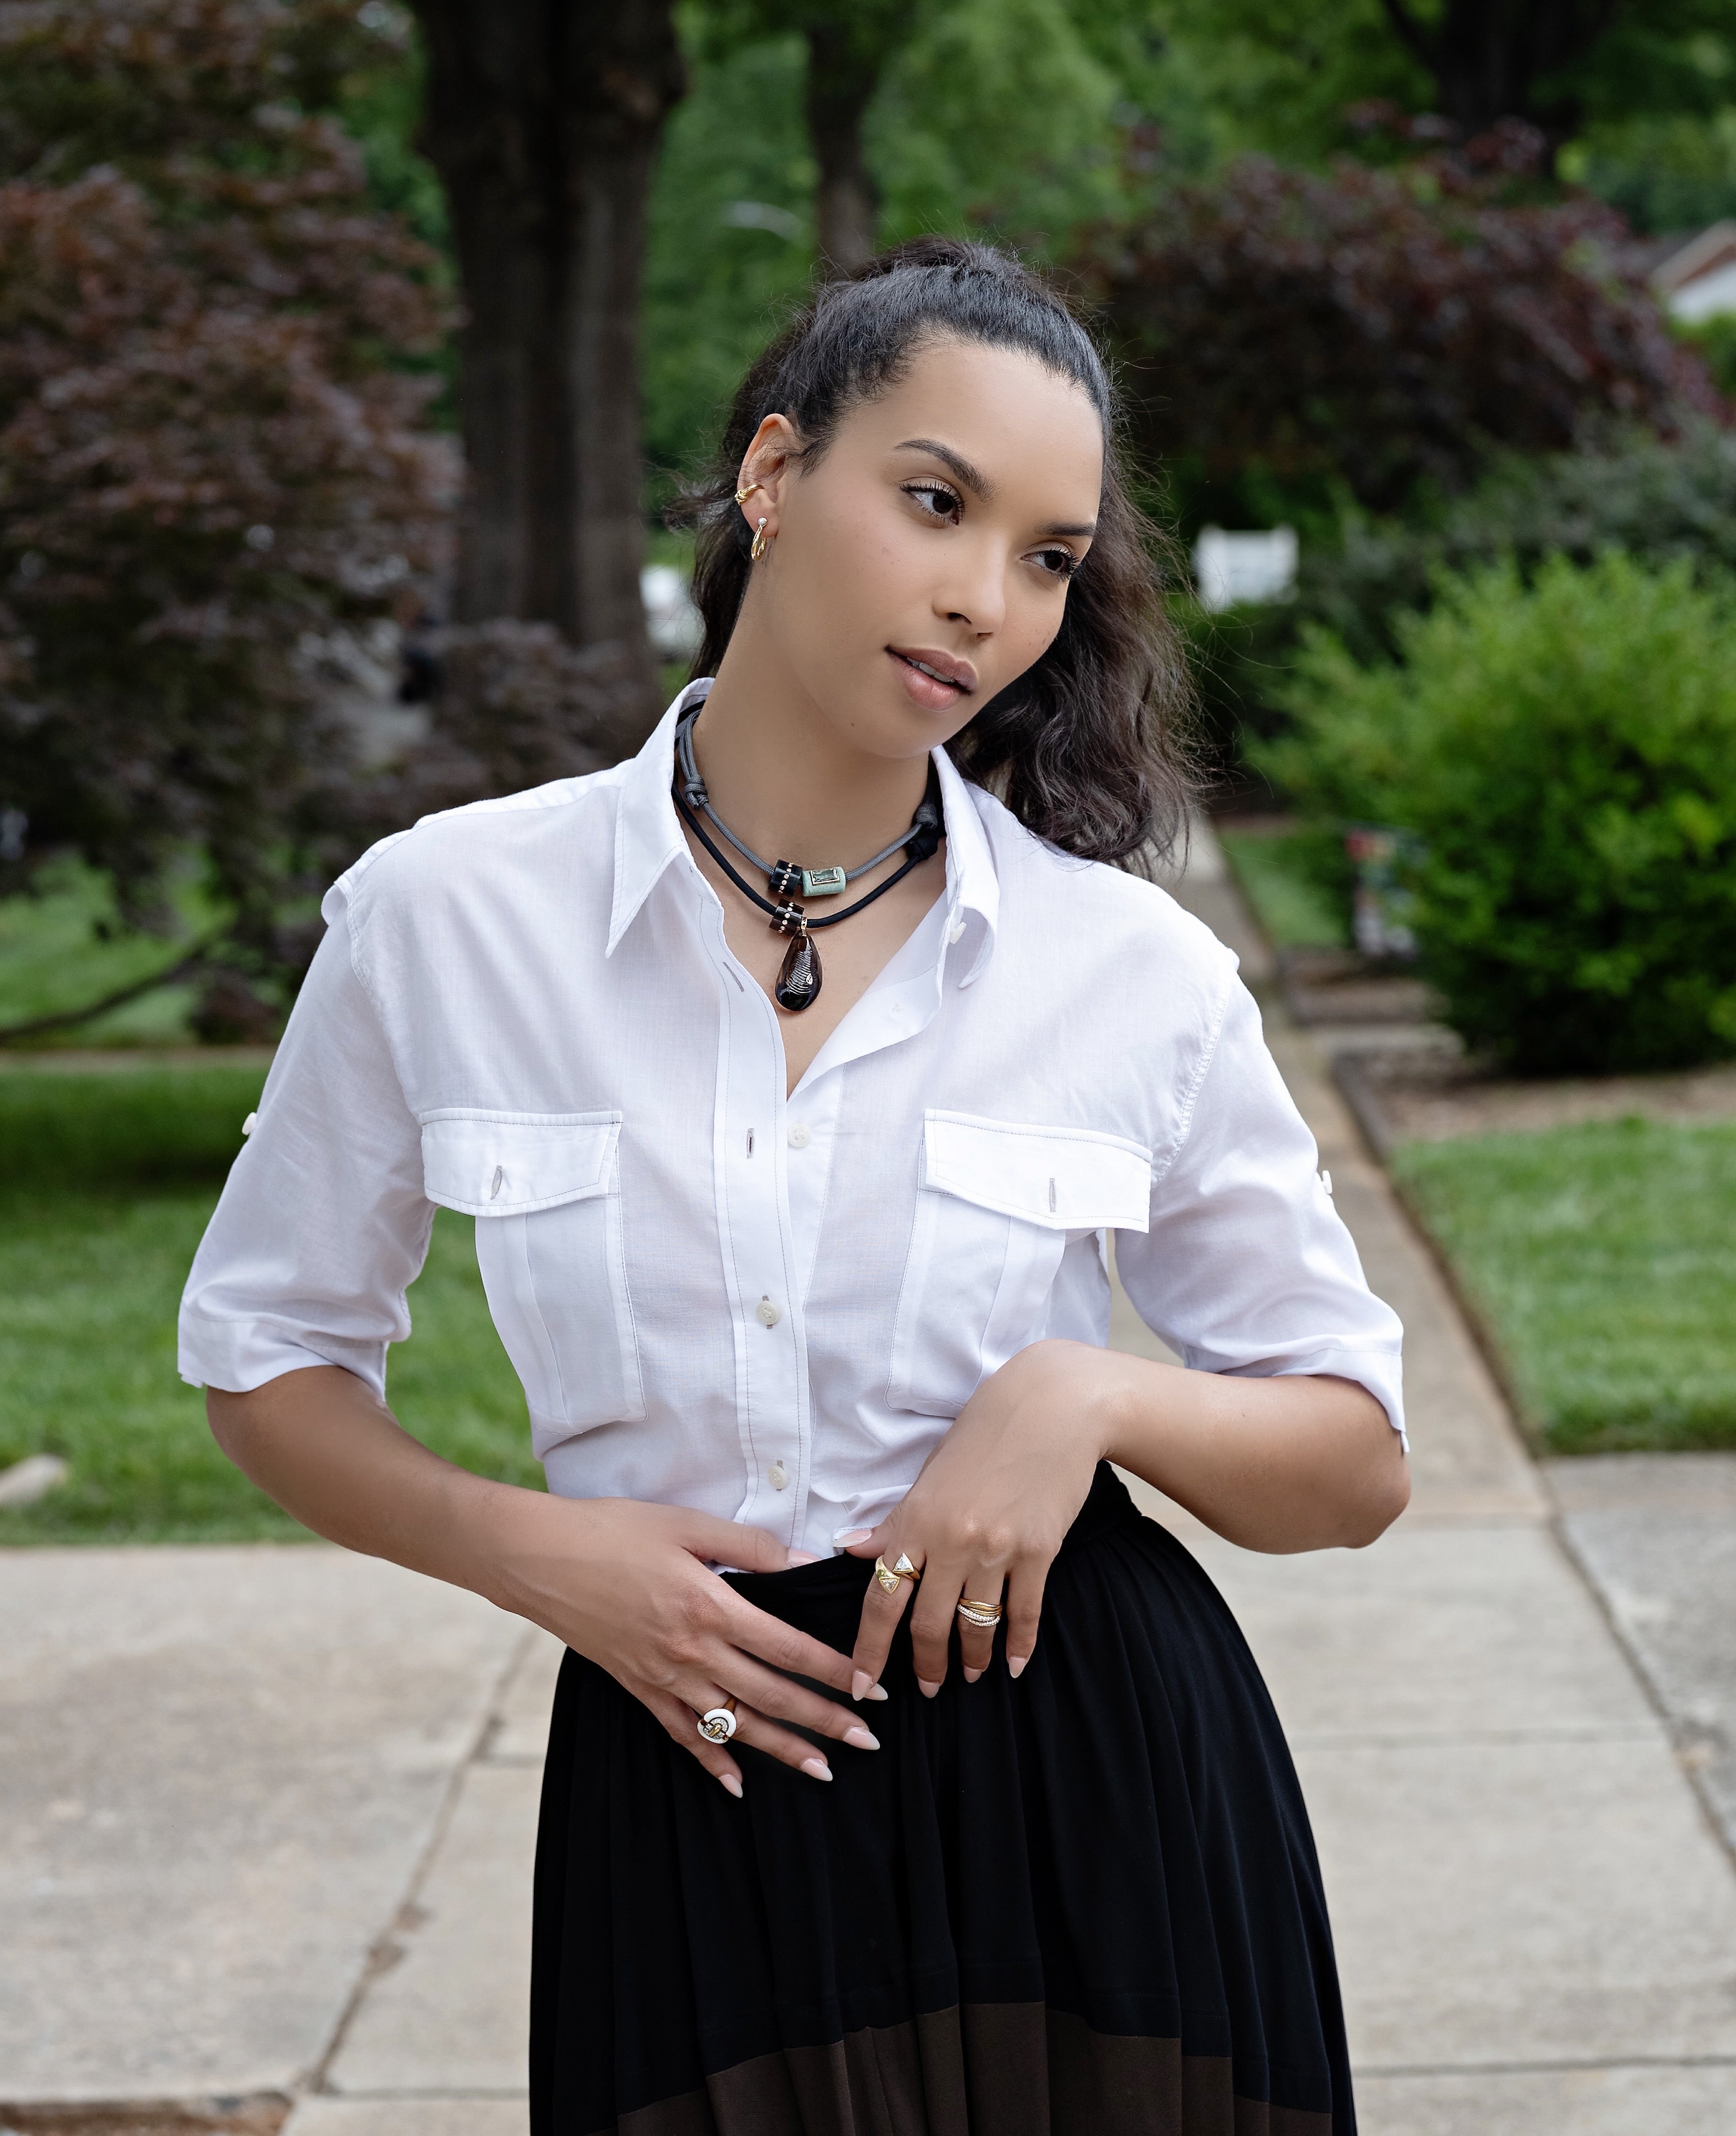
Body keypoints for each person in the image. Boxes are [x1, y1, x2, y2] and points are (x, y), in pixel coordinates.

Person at [180, 237, 1407, 2136]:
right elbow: (266, 1356)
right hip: (696, 1803)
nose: (982, 598)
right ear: (772, 472)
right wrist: (537, 1552)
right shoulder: (444, 917)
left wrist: (1081, 1397)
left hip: (1099, 1819)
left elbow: (1351, 1459)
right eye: (934, 502)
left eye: (1047, 557)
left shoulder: (1131, 972)